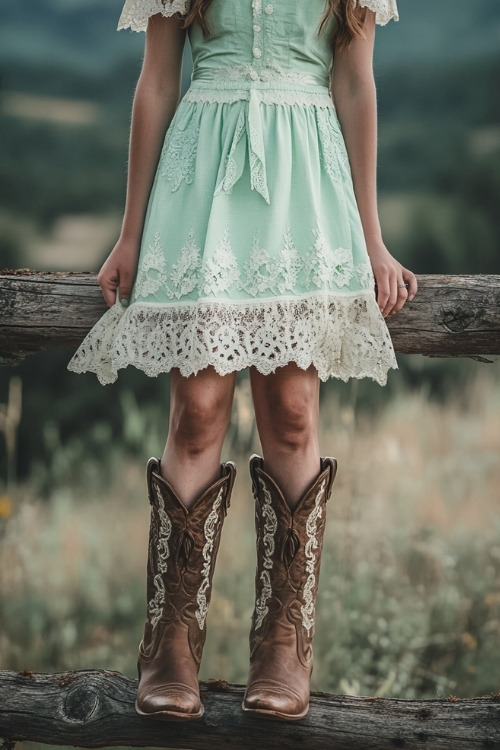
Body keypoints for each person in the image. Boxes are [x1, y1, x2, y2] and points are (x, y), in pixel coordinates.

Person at [68, 0, 417, 722]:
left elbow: (355, 85)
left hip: (306, 187)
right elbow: (157, 82)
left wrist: (372, 238)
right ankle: (170, 647)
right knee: (197, 412)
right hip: (202, 183)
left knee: (291, 414)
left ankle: (282, 646)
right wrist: (129, 233)